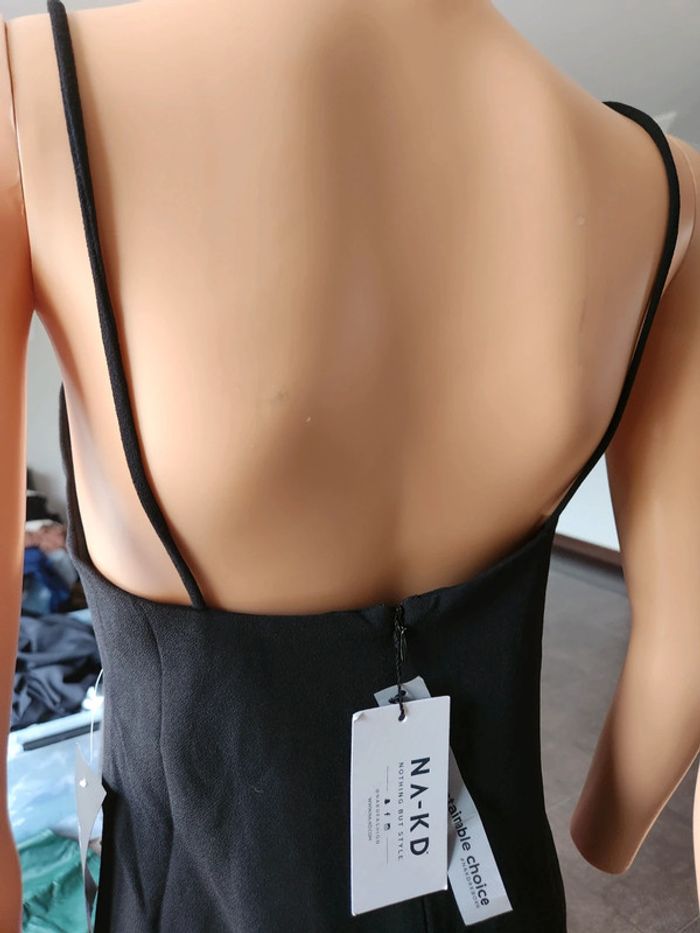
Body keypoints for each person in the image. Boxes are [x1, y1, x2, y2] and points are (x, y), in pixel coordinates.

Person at [0, 0, 698, 929]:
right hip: (499, 892)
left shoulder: (30, 91)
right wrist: (604, 828)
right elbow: (685, 650)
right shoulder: (662, 182)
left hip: (202, 896)